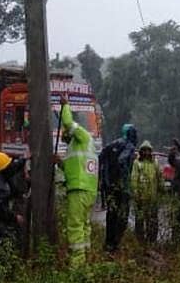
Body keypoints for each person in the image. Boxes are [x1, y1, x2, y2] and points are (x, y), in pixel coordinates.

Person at [55, 97, 98, 268]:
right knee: (84, 225)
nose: (64, 139)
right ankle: (85, 259)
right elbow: (72, 168)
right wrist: (60, 163)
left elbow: (67, 122)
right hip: (88, 190)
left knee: (75, 225)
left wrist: (65, 106)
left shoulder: (82, 136)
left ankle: (77, 264)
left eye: (65, 136)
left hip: (79, 189)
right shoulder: (82, 145)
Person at [99, 123, 138, 252]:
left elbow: (100, 158)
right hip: (121, 187)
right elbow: (122, 160)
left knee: (111, 214)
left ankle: (108, 244)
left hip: (109, 186)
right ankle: (115, 244)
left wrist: (103, 180)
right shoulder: (129, 146)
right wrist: (125, 180)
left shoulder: (111, 144)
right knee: (122, 216)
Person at [131, 141, 164, 243]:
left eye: (148, 150)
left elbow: (159, 176)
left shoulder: (155, 163)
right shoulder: (137, 163)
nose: (146, 152)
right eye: (144, 150)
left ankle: (152, 240)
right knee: (140, 220)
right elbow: (134, 179)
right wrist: (135, 193)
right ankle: (140, 240)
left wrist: (162, 189)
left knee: (152, 220)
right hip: (140, 198)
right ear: (141, 151)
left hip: (152, 197)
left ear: (150, 151)